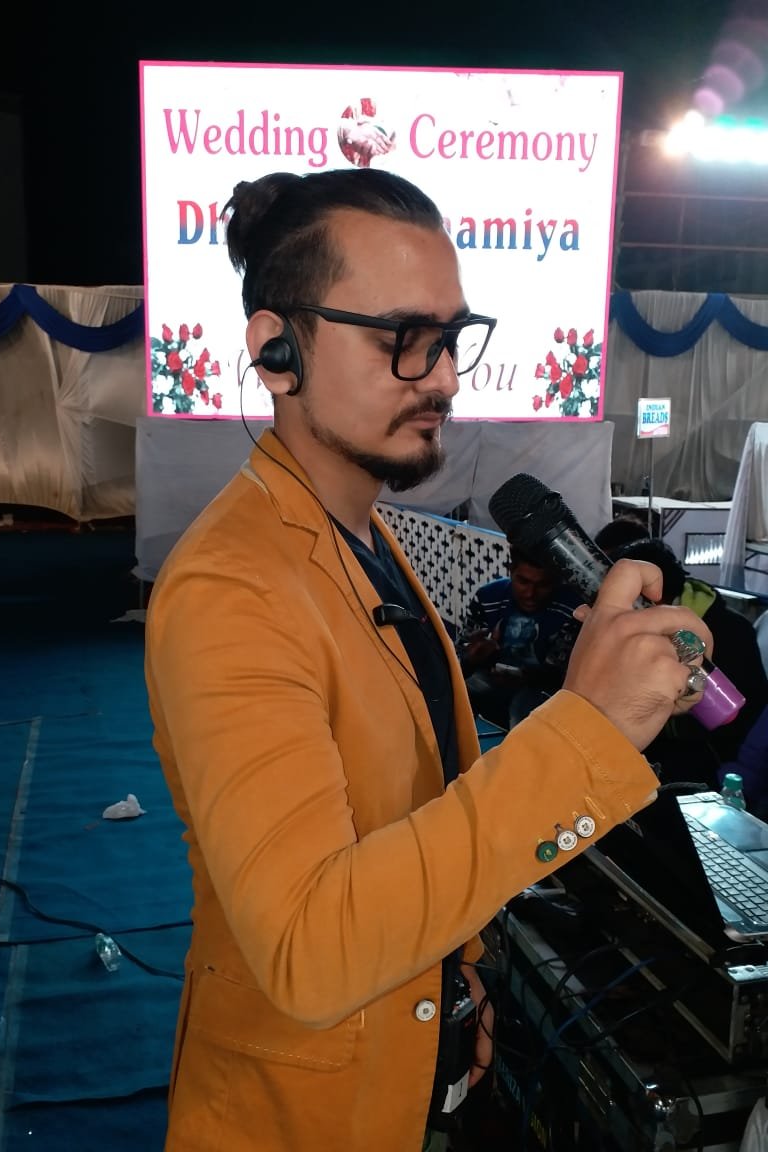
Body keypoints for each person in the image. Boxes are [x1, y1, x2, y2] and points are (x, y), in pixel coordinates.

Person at [144, 168, 712, 1152]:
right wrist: (584, 731)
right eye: (403, 338)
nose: (445, 377)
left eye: (451, 337)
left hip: (412, 1069)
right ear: (278, 351)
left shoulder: (364, 535)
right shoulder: (231, 590)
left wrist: (451, 978)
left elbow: (408, 809)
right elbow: (309, 949)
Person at [603, 536, 768, 782]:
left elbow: (735, 723)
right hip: (658, 750)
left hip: (713, 762)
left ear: (651, 595)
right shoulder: (641, 629)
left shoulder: (728, 631)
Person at [456, 548, 584, 729]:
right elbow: (457, 658)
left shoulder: (574, 610)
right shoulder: (488, 597)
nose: (530, 593)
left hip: (543, 690)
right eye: (523, 581)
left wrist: (528, 678)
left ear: (556, 581)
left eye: (543, 585)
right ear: (511, 571)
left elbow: (565, 676)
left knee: (525, 707)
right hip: (491, 678)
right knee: (456, 692)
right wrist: (471, 658)